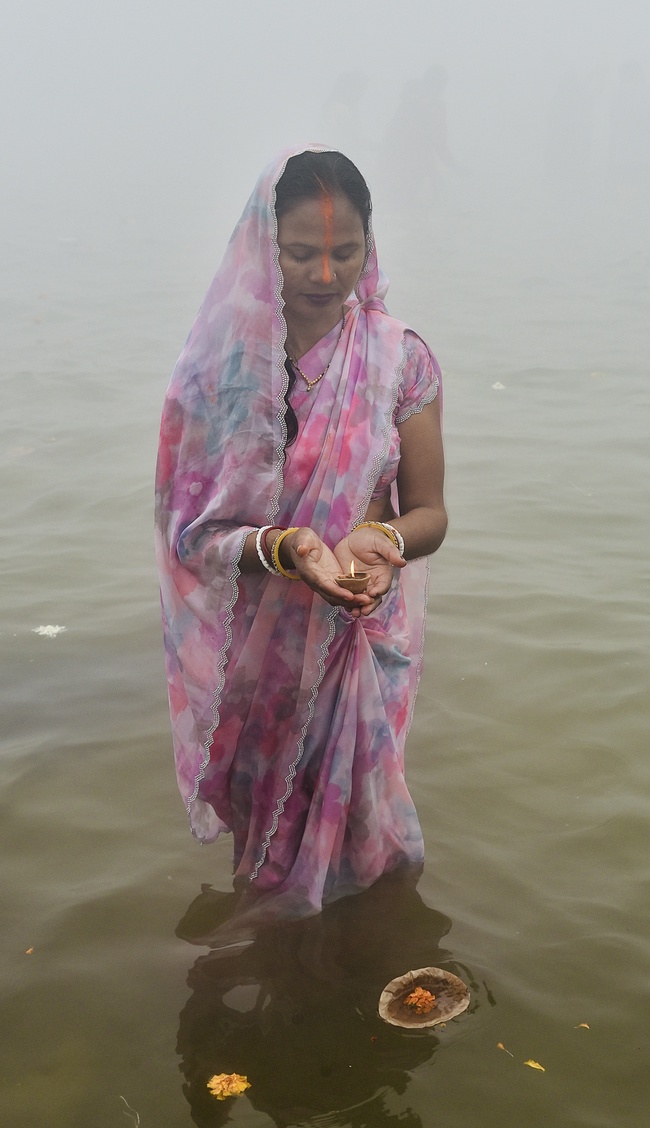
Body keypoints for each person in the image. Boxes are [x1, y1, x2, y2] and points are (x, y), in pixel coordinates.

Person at [155, 145, 446, 920]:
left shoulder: (399, 358)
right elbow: (191, 535)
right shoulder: (217, 376)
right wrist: (285, 548)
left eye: (345, 252)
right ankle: (279, 967)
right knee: (267, 835)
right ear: (262, 247)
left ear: (369, 245)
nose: (325, 274)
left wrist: (383, 544)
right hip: (260, 646)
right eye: (300, 253)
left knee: (368, 843)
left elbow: (429, 513)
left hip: (361, 631)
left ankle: (356, 957)